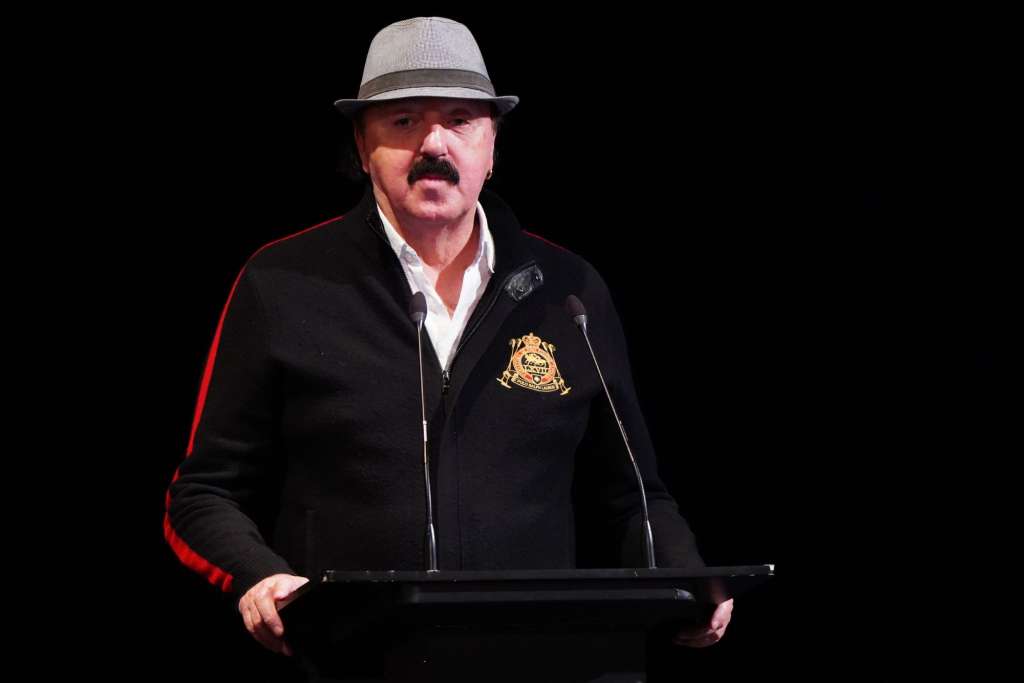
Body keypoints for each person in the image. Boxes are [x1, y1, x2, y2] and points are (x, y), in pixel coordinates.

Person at [163, 15, 732, 668]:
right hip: (350, 661)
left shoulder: (569, 291)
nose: (434, 143)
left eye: (460, 120)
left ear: (492, 146)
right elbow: (201, 495)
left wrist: (690, 577)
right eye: (404, 121)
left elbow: (633, 496)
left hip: (542, 662)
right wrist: (258, 575)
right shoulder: (284, 283)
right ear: (362, 145)